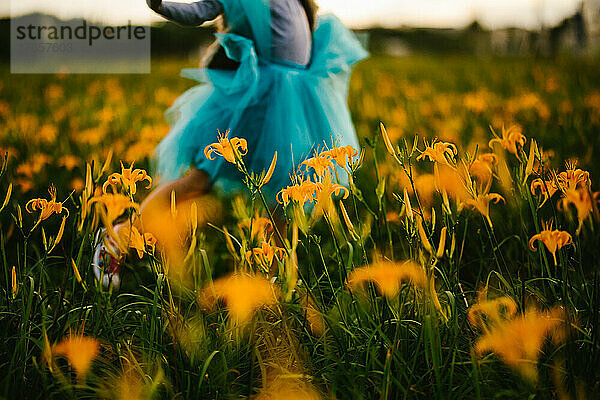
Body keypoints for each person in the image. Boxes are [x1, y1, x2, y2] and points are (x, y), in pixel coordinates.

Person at [93, 0, 368, 287]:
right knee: (199, 180)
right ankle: (119, 238)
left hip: (297, 99)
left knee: (285, 195)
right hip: (256, 100)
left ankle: (272, 281)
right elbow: (199, 11)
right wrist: (160, 5)